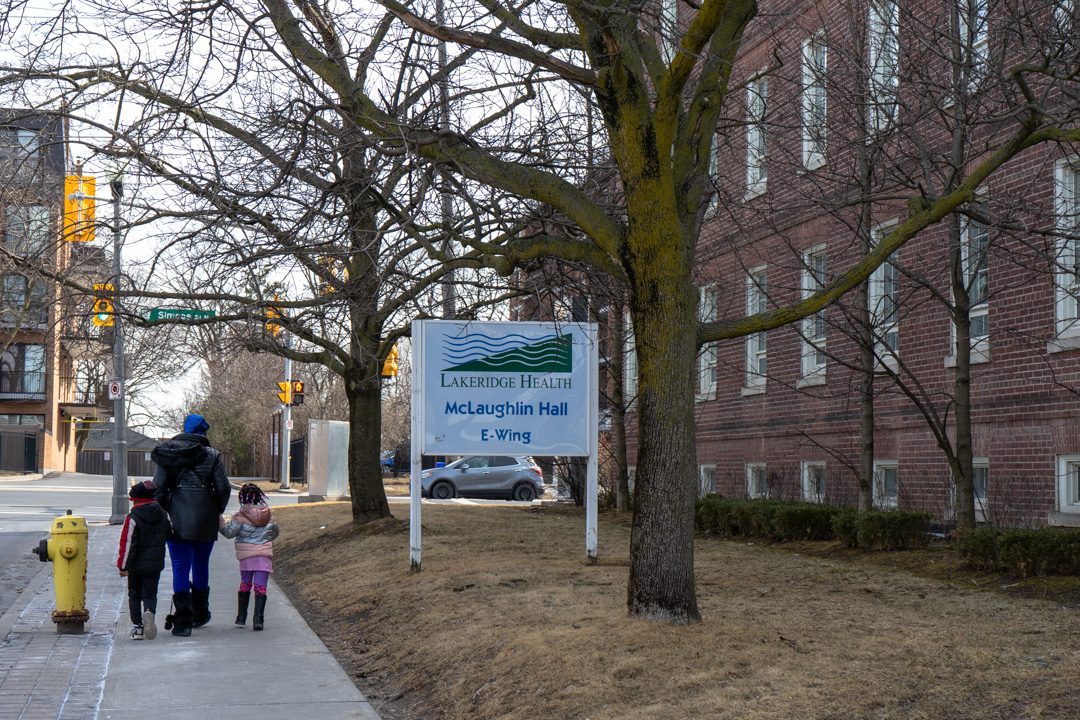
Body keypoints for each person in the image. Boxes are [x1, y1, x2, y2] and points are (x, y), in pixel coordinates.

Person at [152, 413, 231, 637]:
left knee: (179, 565)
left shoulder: (167, 453)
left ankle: (183, 622)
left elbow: (158, 487)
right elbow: (223, 488)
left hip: (177, 517)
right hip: (206, 518)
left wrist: (169, 508)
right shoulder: (212, 455)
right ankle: (200, 612)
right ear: (203, 433)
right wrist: (216, 509)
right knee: (201, 564)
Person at [219, 483, 279, 631]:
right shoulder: (268, 516)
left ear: (243, 499)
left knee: (245, 584)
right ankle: (258, 620)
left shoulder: (240, 517)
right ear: (260, 497)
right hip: (264, 557)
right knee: (261, 587)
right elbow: (275, 532)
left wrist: (220, 522)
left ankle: (241, 617)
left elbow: (229, 533)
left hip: (247, 558)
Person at [116, 479, 170, 640]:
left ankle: (138, 628)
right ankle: (149, 612)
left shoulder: (132, 517)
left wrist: (123, 566)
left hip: (136, 565)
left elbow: (126, 544)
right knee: (150, 593)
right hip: (155, 564)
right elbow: (169, 533)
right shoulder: (162, 514)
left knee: (134, 594)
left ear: (137, 500)